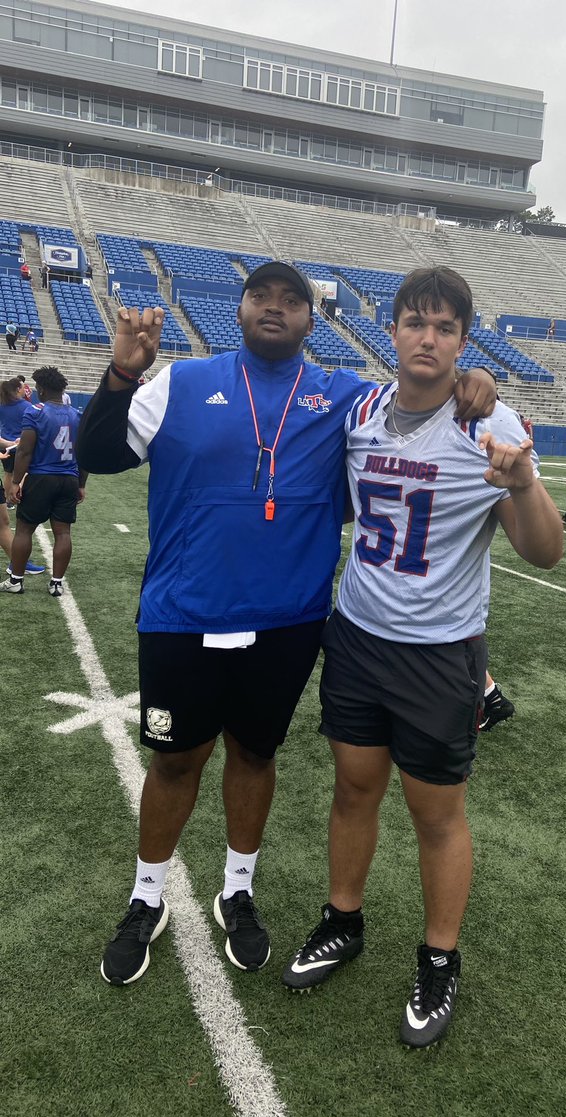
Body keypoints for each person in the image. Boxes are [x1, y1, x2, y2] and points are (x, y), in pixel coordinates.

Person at [74, 261, 498, 988]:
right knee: (175, 760)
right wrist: (119, 373)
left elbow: (420, 397)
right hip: (182, 613)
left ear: (313, 319)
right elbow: (97, 454)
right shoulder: (180, 380)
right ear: (237, 311)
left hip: (288, 621)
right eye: (260, 296)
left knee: (255, 753)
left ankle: (237, 889)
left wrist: (473, 386)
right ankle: (146, 899)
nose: (275, 308)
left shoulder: (344, 397)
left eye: (292, 300)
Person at [281, 267, 563, 1049]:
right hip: (358, 637)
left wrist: (526, 483)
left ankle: (439, 959)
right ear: (391, 330)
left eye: (443, 328)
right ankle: (343, 920)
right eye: (415, 323)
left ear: (463, 341)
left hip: (439, 654)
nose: (427, 338)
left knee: (436, 815)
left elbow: (544, 553)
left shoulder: (488, 424)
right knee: (352, 790)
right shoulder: (362, 409)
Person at [0, 366, 86, 598]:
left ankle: (16, 580)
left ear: (42, 390)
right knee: (63, 532)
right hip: (68, 478)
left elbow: (25, 452)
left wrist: (16, 482)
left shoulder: (36, 412)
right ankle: (57, 583)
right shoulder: (77, 416)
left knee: (25, 529)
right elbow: (85, 455)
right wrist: (81, 484)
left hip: (40, 478)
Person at [0, 376, 45, 575]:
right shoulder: (24, 407)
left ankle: (19, 563)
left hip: (11, 449)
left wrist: (7, 444)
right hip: (14, 450)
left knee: (3, 523)